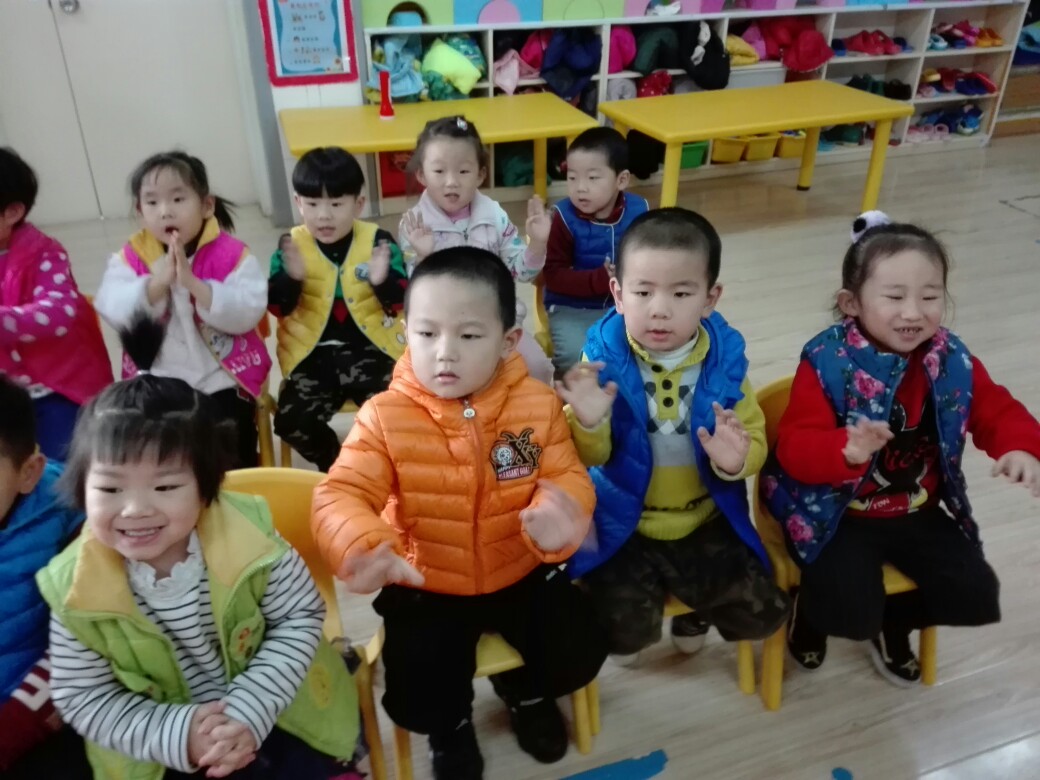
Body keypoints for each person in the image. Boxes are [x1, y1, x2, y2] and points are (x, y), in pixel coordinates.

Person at [312, 248, 607, 780]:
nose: (444, 353)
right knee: (422, 674)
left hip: (519, 564)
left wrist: (560, 515)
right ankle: (450, 727)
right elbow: (342, 492)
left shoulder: (537, 405)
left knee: (573, 640)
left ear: (508, 341)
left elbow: (567, 477)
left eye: (469, 336)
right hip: (427, 577)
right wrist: (361, 542)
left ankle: (526, 694)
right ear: (406, 331)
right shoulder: (383, 416)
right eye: (426, 333)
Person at [38, 314, 359, 779]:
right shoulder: (73, 587)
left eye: (165, 487)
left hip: (275, 710)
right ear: (81, 487)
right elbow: (83, 697)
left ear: (207, 489)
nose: (134, 509)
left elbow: (300, 617)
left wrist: (247, 712)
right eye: (109, 489)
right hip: (158, 745)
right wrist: (181, 735)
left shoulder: (252, 539)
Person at [762, 212, 1040, 686]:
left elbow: (996, 409)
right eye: (894, 297)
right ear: (851, 303)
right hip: (837, 511)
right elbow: (794, 448)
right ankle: (808, 616)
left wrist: (1020, 448)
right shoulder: (827, 361)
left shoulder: (951, 357)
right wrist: (845, 449)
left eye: (930, 297)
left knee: (975, 593)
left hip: (916, 509)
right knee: (848, 610)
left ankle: (894, 623)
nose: (914, 312)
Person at [558, 208, 790, 665]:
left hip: (702, 517)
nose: (659, 309)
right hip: (624, 521)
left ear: (709, 298)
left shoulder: (724, 365)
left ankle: (696, 612)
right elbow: (590, 457)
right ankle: (656, 614)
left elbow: (754, 440)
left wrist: (735, 460)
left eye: (681, 293)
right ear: (618, 294)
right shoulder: (600, 361)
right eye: (643, 292)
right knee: (620, 632)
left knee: (762, 614)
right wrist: (587, 423)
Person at [93, 151, 269, 469]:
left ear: (206, 205)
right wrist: (158, 283)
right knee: (159, 452)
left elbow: (248, 311)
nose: (165, 211)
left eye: (177, 199)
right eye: (152, 202)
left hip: (222, 379)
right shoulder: (130, 258)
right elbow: (113, 308)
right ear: (139, 211)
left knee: (231, 445)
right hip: (157, 379)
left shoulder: (232, 255)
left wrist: (193, 284)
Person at [269, 147, 408, 472]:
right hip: (312, 357)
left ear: (358, 204)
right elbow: (276, 307)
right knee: (291, 422)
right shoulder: (291, 245)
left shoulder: (378, 241)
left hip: (373, 352)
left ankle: (377, 469)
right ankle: (340, 466)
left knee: (400, 416)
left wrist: (382, 282)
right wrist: (291, 280)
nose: (324, 215)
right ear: (298, 202)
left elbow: (402, 303)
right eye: (312, 204)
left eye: (335, 204)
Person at [397, 116, 555, 384]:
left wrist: (538, 244)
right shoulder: (414, 225)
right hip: (444, 334)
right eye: (439, 171)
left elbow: (522, 273)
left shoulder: (494, 216)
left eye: (463, 171)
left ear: (481, 174)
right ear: (422, 174)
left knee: (539, 370)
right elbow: (416, 299)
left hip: (498, 324)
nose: (451, 182)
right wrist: (424, 257)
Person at [0, 377, 90, 778]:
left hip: (36, 717)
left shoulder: (74, 511)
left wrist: (12, 729)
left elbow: (93, 637)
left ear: (28, 472)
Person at [0, 147, 113, 460]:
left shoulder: (44, 253)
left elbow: (58, 313)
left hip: (55, 389)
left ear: (12, 212)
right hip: (6, 396)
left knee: (66, 467)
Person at [543, 127, 649, 375]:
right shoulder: (562, 218)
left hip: (626, 304)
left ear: (621, 180)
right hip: (572, 308)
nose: (580, 188)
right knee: (576, 357)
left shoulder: (640, 211)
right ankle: (571, 401)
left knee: (653, 348)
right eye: (572, 178)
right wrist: (599, 280)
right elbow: (553, 276)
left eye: (592, 178)